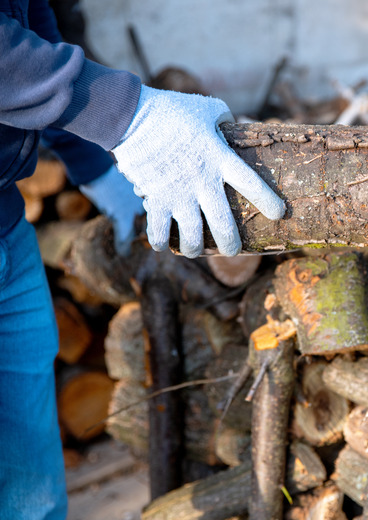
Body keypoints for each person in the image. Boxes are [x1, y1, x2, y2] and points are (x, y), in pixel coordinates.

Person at [0, 1, 286, 518]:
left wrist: (93, 165)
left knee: (30, 491)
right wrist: (129, 115)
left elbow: (31, 22)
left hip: (6, 227)